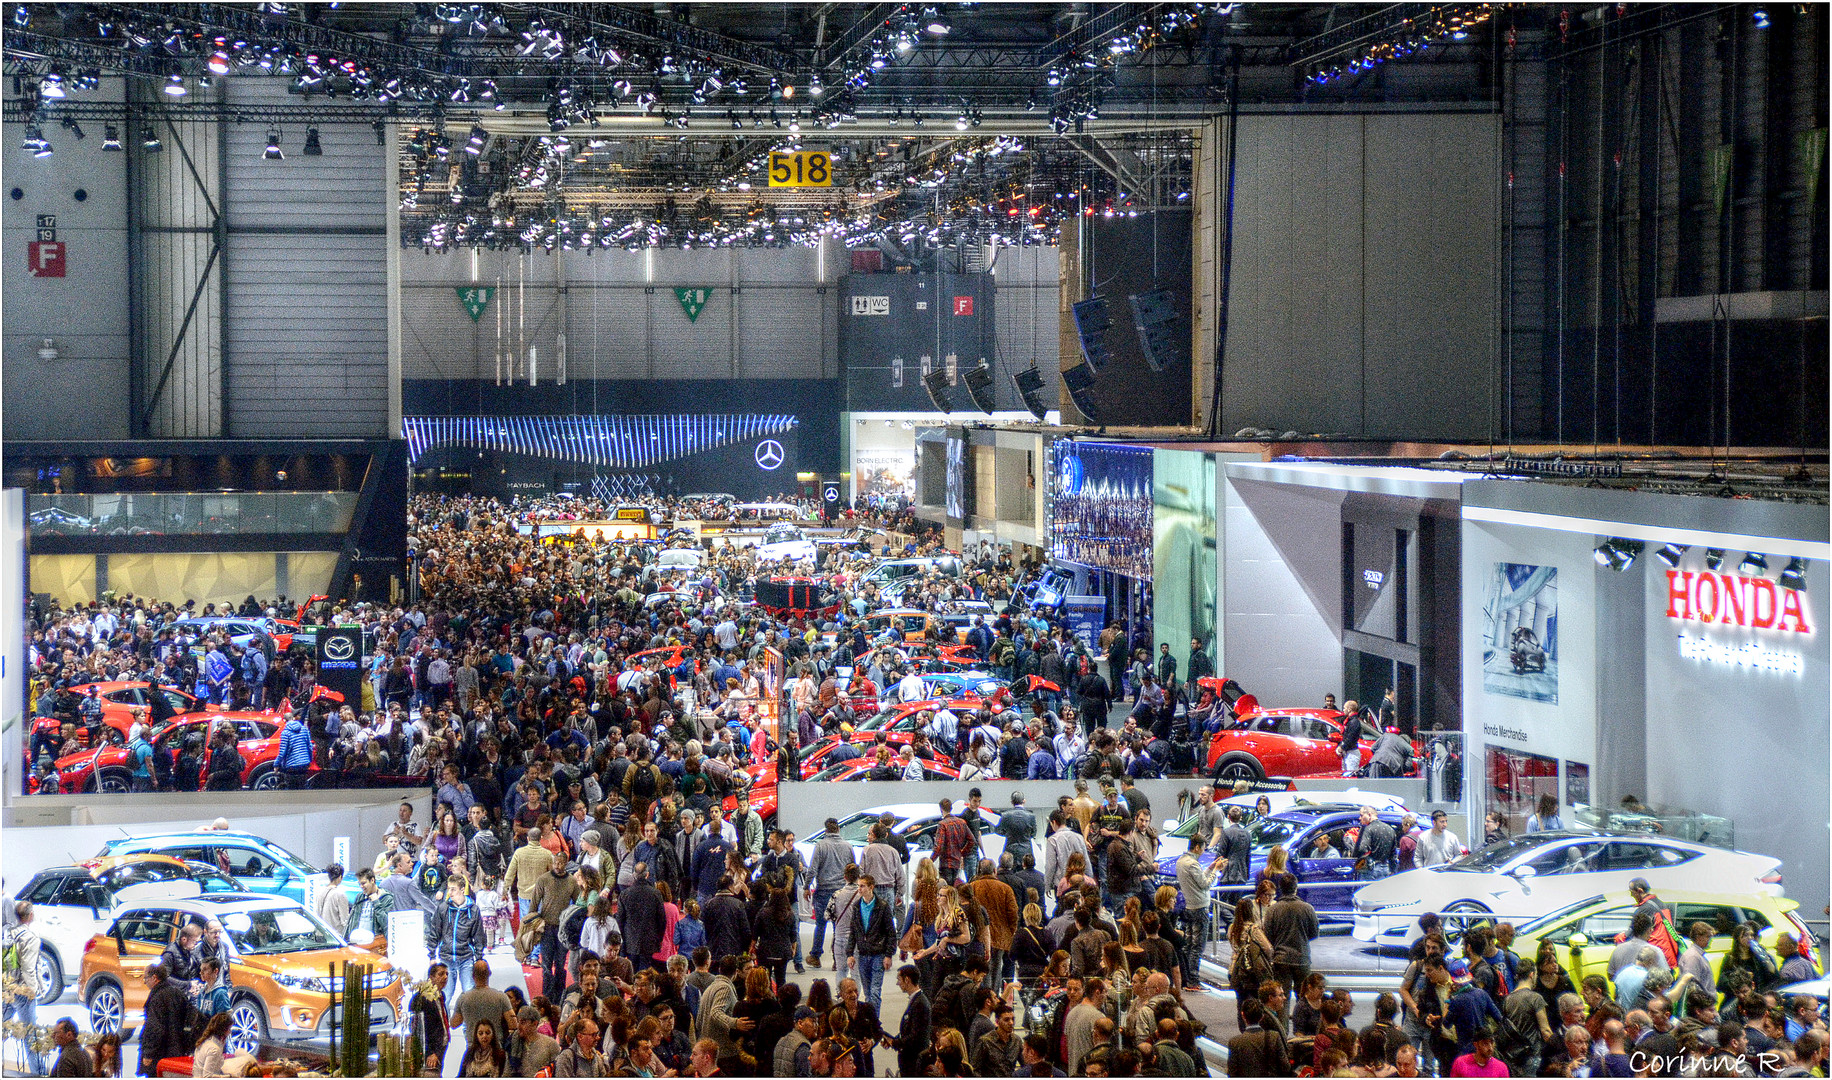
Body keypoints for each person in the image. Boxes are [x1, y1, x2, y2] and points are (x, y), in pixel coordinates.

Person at [1263, 873, 1318, 1012]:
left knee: (1281, 999)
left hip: (1281, 959)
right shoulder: (1307, 908)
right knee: (1305, 1000)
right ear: (1296, 888)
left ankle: (1282, 1032)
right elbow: (1314, 933)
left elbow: (1268, 935)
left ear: (1280, 888)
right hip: (1302, 958)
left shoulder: (1272, 910)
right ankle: (1304, 1031)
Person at [139, 964, 193, 1078]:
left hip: (160, 1055)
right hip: (178, 1053)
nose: (145, 982)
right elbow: (189, 1019)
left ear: (154, 978)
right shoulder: (178, 993)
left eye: (146, 978)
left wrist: (148, 1053)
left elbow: (154, 1028)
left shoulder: (157, 998)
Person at [1226, 997, 1291, 1077]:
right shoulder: (1274, 1037)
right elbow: (1285, 1067)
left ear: (1243, 1015)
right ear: (1262, 1016)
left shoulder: (1234, 1042)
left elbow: (1232, 1072)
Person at [892, 965, 932, 1079]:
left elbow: (916, 1036)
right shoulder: (916, 1001)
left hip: (913, 1061)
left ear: (907, 980)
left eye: (899, 979)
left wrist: (896, 1043)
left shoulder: (920, 1004)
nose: (897, 983)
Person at [510, 1005, 563, 1077]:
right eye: (518, 1022)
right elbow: (508, 1070)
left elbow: (559, 1071)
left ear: (534, 1024)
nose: (518, 1026)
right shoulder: (514, 1043)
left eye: (523, 1022)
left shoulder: (550, 1044)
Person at [191, 1012, 232, 1078]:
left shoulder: (205, 1042)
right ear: (223, 1030)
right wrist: (229, 1077)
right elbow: (207, 1076)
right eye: (229, 1029)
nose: (230, 1031)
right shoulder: (214, 1049)